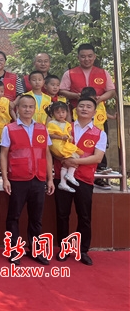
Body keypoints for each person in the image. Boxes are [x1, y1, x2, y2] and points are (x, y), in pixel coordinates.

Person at [0, 95, 55, 266]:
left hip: (38, 178)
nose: (27, 109)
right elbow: (3, 154)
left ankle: (35, 250)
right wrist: (5, 179)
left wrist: (50, 179)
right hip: (18, 178)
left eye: (31, 106)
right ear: (18, 108)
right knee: (13, 216)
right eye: (24, 106)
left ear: (34, 109)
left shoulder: (42, 128)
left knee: (36, 217)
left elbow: (47, 154)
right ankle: (13, 250)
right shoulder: (9, 129)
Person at [53, 97, 106, 266]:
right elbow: (52, 148)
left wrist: (74, 162)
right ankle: (63, 248)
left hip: (84, 179)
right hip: (62, 177)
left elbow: (97, 158)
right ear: (75, 110)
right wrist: (63, 160)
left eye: (88, 106)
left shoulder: (100, 133)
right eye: (81, 106)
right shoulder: (65, 127)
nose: (84, 109)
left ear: (94, 112)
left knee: (84, 216)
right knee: (62, 215)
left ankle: (82, 250)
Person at [59, 44, 116, 188]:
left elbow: (111, 91)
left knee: (99, 140)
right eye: (83, 56)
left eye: (90, 56)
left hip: (98, 114)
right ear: (78, 57)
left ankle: (99, 174)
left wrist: (100, 98)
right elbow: (62, 90)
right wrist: (76, 96)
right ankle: (71, 172)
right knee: (74, 142)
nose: (86, 59)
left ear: (94, 57)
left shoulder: (103, 73)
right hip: (77, 112)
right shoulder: (70, 73)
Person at [46, 102, 82, 193]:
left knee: (75, 156)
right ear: (53, 114)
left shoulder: (67, 124)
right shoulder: (52, 123)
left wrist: (70, 137)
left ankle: (63, 182)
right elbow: (49, 134)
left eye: (63, 112)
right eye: (58, 112)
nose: (61, 114)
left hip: (64, 144)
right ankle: (70, 174)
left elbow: (68, 134)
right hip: (56, 144)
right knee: (72, 157)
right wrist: (61, 137)